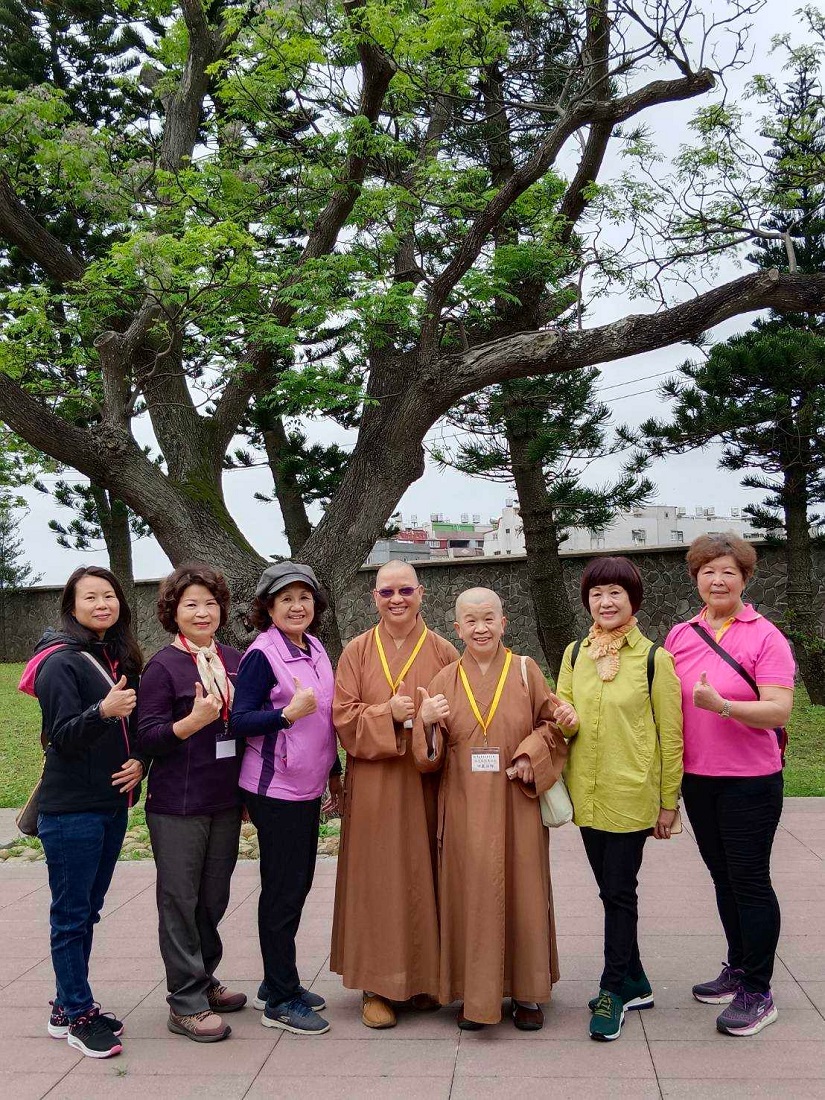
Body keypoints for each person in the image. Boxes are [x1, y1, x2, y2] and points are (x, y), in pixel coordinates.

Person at [412, 586, 567, 1031]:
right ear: (456, 628)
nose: (480, 628)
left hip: (516, 802)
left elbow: (551, 726)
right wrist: (427, 723)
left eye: (488, 619)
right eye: (471, 621)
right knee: (470, 897)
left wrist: (531, 754)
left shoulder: (525, 671)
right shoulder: (443, 681)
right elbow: (428, 759)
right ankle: (475, 996)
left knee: (525, 893)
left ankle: (527, 992)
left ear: (504, 623)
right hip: (463, 805)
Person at [665, 533, 794, 1037]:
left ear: (745, 579)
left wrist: (722, 706)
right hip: (700, 780)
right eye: (708, 571)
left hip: (750, 782)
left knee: (750, 880)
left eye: (728, 572)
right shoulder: (681, 635)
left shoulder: (765, 636)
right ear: (695, 577)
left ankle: (759, 991)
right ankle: (738, 967)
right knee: (723, 878)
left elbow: (779, 710)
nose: (717, 580)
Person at [552, 556, 683, 1042]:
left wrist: (668, 803)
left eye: (615, 593)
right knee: (611, 891)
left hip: (631, 794)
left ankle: (612, 990)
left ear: (633, 600)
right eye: (597, 594)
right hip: (587, 794)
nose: (605, 602)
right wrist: (563, 720)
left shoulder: (654, 659)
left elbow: (671, 736)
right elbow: (561, 717)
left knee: (620, 891)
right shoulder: (574, 654)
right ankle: (636, 981)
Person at [20, 566, 144, 1059]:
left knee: (86, 910)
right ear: (71, 606)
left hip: (110, 804)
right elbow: (63, 737)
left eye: (108, 596)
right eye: (90, 597)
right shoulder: (60, 663)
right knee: (71, 916)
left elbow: (133, 729)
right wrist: (102, 712)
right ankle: (77, 1014)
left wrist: (140, 761)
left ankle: (65, 1006)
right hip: (71, 811)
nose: (101, 604)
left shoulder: (115, 656)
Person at [331, 561, 459, 1029]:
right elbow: (343, 717)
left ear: (421, 593)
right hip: (375, 784)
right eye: (387, 592)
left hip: (426, 781)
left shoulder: (444, 650)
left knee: (426, 875)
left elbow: (461, 719)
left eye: (405, 590)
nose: (397, 599)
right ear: (375, 598)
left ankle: (423, 979)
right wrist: (388, 712)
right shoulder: (356, 651)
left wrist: (428, 723)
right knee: (377, 880)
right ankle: (377, 986)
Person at [136, 563, 246, 1043]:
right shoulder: (163, 667)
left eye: (210, 603)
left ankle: (204, 977)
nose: (203, 612)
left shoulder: (235, 660)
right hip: (177, 804)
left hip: (225, 799)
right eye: (191, 604)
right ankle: (184, 1002)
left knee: (213, 897)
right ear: (173, 612)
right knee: (180, 901)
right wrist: (192, 722)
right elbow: (148, 736)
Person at [232, 562, 341, 1036]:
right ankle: (280, 998)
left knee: (296, 886)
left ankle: (277, 982)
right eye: (286, 599)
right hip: (275, 789)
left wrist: (334, 773)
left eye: (304, 597)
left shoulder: (314, 647)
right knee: (282, 890)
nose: (297, 606)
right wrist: (285, 715)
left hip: (308, 786)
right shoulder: (262, 654)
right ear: (268, 608)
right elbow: (238, 720)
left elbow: (325, 721)